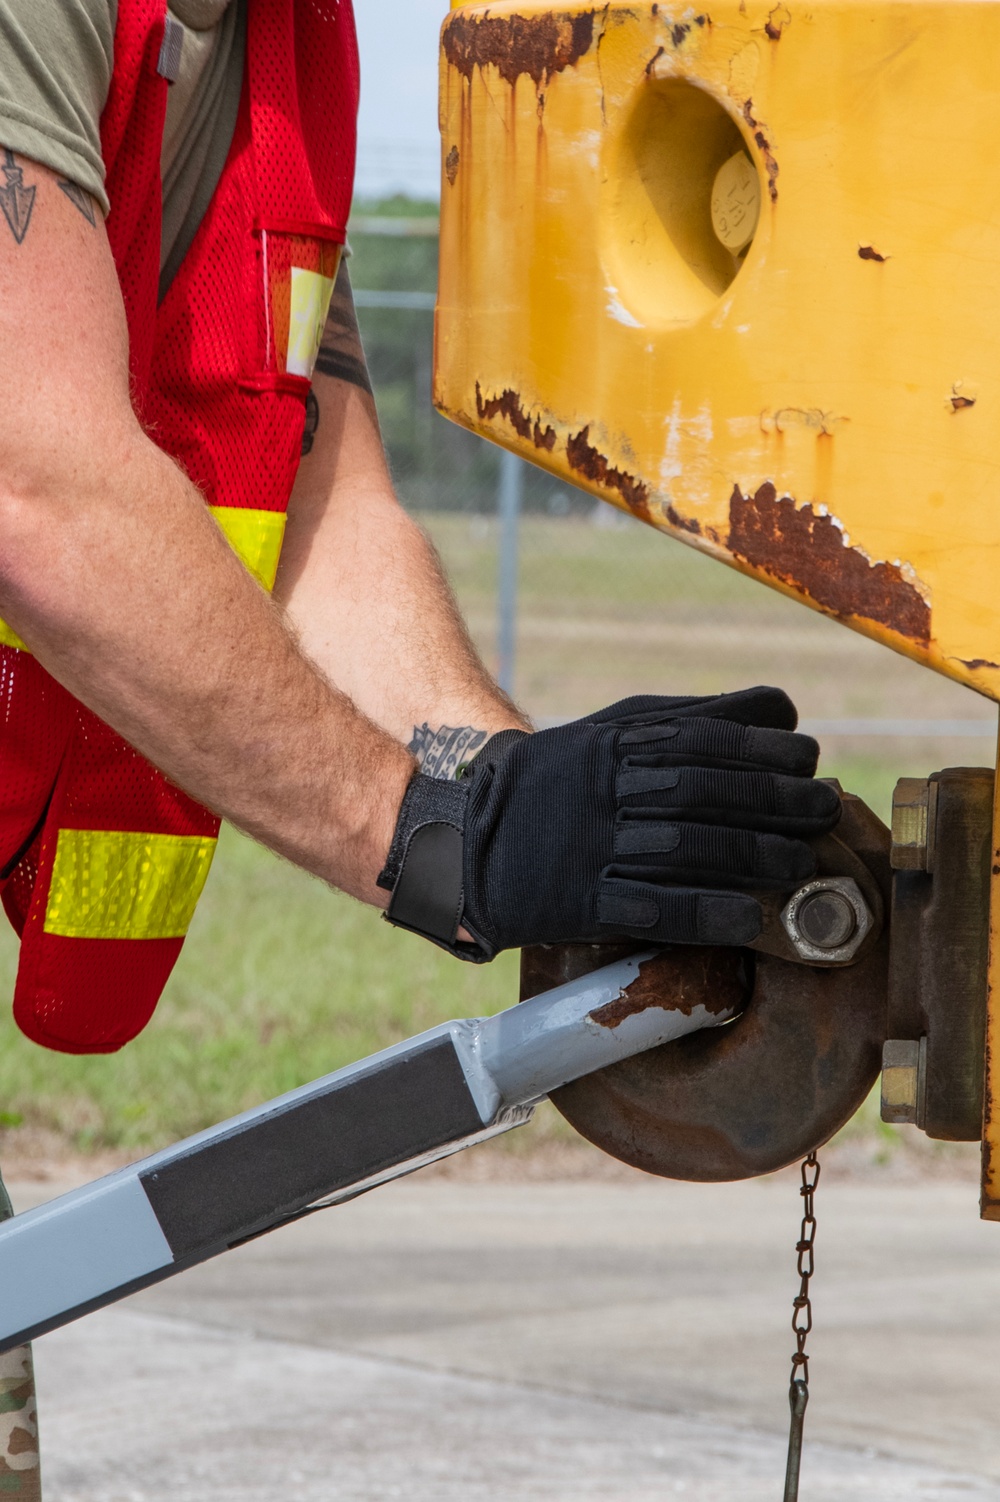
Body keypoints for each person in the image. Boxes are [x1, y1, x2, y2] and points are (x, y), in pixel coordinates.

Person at [0, 1, 840, 1493]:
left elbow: (322, 508)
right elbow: (35, 488)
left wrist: (530, 812)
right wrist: (431, 828)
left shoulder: (281, 58)